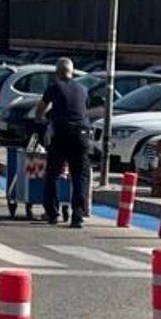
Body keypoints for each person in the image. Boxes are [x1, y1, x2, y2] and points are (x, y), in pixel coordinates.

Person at [36, 57, 93, 228]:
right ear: (72, 72)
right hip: (81, 135)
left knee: (52, 173)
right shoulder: (83, 89)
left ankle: (52, 213)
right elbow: (83, 109)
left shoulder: (53, 88)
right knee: (79, 175)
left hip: (61, 135)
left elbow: (40, 111)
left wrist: (43, 121)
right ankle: (77, 215)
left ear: (57, 73)